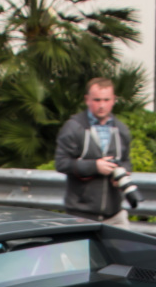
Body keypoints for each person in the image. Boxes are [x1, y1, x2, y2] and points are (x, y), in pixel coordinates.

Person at [54, 77, 134, 227]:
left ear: (113, 100)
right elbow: (61, 163)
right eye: (97, 100)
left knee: (124, 250)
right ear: (87, 100)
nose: (102, 105)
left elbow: (126, 160)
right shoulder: (74, 127)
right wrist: (95, 167)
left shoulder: (121, 129)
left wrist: (124, 172)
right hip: (80, 215)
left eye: (106, 100)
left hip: (115, 214)